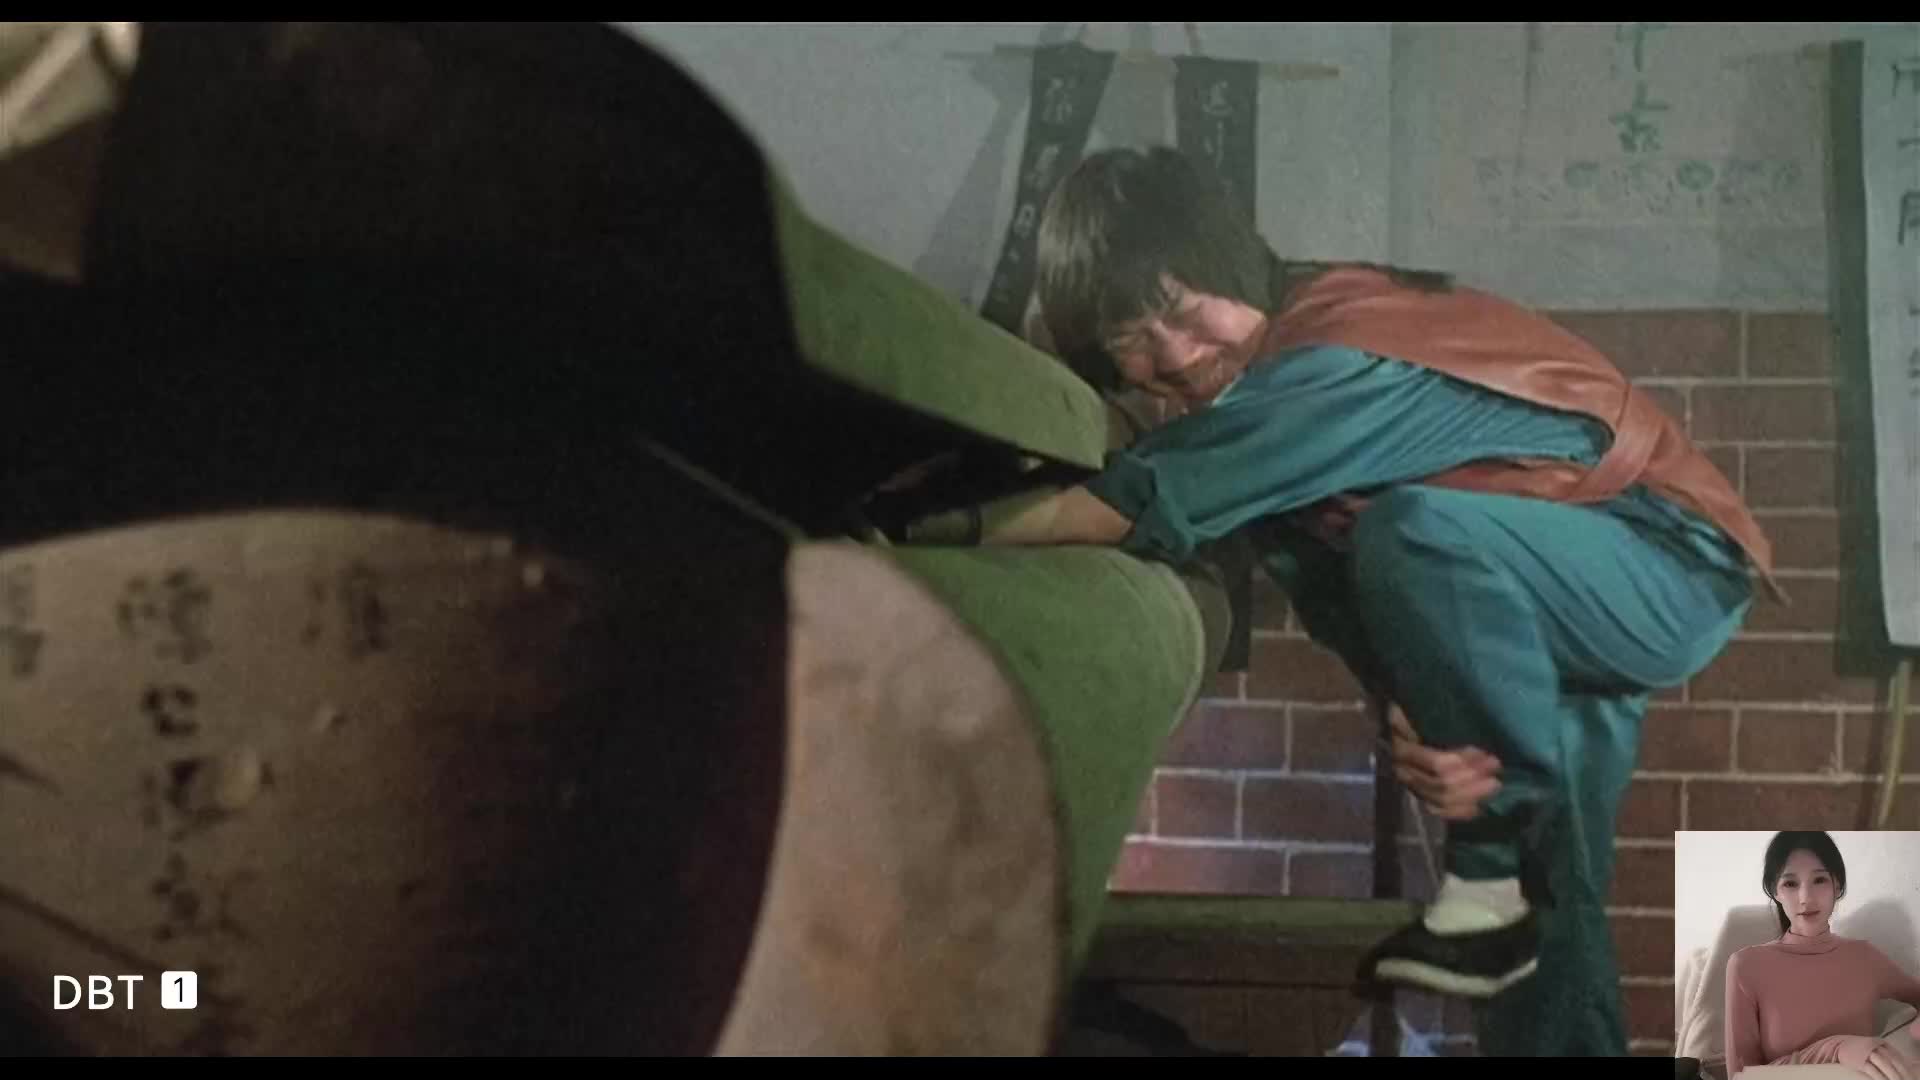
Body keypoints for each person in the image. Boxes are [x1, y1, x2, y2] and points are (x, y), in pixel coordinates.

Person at [907, 145, 1779, 1056]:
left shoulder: (1333, 349)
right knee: (1544, 895)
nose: (1174, 353)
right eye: (1131, 336)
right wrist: (1423, 713)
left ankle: (1487, 871)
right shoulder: (1270, 442)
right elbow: (1352, 608)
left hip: (1663, 556)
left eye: (1182, 310)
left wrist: (927, 532)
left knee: (1410, 531)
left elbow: (1135, 499)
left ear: (1232, 268)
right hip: (1543, 595)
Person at [1724, 832, 1920, 1080]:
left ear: (1837, 886)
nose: (1806, 898)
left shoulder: (1864, 957)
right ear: (1775, 891)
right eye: (1790, 884)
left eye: (1819, 880)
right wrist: (1835, 1048)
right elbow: (1741, 1076)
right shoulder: (1747, 966)